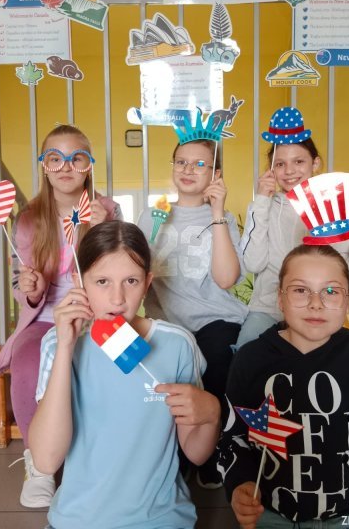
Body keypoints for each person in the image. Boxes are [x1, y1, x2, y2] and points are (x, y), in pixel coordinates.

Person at [218, 243, 349, 528]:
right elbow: (234, 437)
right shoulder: (251, 358)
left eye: (331, 291)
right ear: (280, 298)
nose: (315, 303)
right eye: (300, 290)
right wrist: (239, 484)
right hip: (272, 513)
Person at [28, 221, 221, 529]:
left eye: (131, 281)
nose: (117, 298)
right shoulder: (58, 343)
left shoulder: (177, 344)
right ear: (79, 281)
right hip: (78, 520)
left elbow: (197, 454)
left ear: (147, 283)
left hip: (161, 520)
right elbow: (46, 460)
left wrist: (212, 414)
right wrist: (65, 347)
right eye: (102, 281)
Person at [0, 124, 122, 508]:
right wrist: (30, 289)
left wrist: (103, 228)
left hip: (98, 312)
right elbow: (21, 285)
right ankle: (39, 465)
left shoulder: (107, 209)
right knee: (26, 362)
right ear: (44, 166)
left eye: (76, 158)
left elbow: (121, 268)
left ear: (89, 165)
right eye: (55, 158)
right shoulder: (29, 220)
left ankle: (113, 454)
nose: (65, 167)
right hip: (46, 317)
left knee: (129, 359)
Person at [137, 128, 248, 488]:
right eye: (181, 162)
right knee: (162, 380)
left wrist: (216, 212)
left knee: (216, 364)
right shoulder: (153, 215)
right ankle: (173, 455)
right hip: (167, 324)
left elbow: (227, 279)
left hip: (216, 319)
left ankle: (212, 450)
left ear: (216, 174)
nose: (188, 169)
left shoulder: (223, 218)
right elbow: (135, 272)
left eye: (200, 164)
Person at [236, 106, 349, 348]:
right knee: (245, 355)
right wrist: (261, 201)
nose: (289, 171)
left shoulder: (336, 209)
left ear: (315, 163)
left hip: (320, 313)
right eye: (280, 164)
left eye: (299, 161)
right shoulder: (264, 207)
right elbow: (253, 263)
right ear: (271, 169)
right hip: (268, 310)